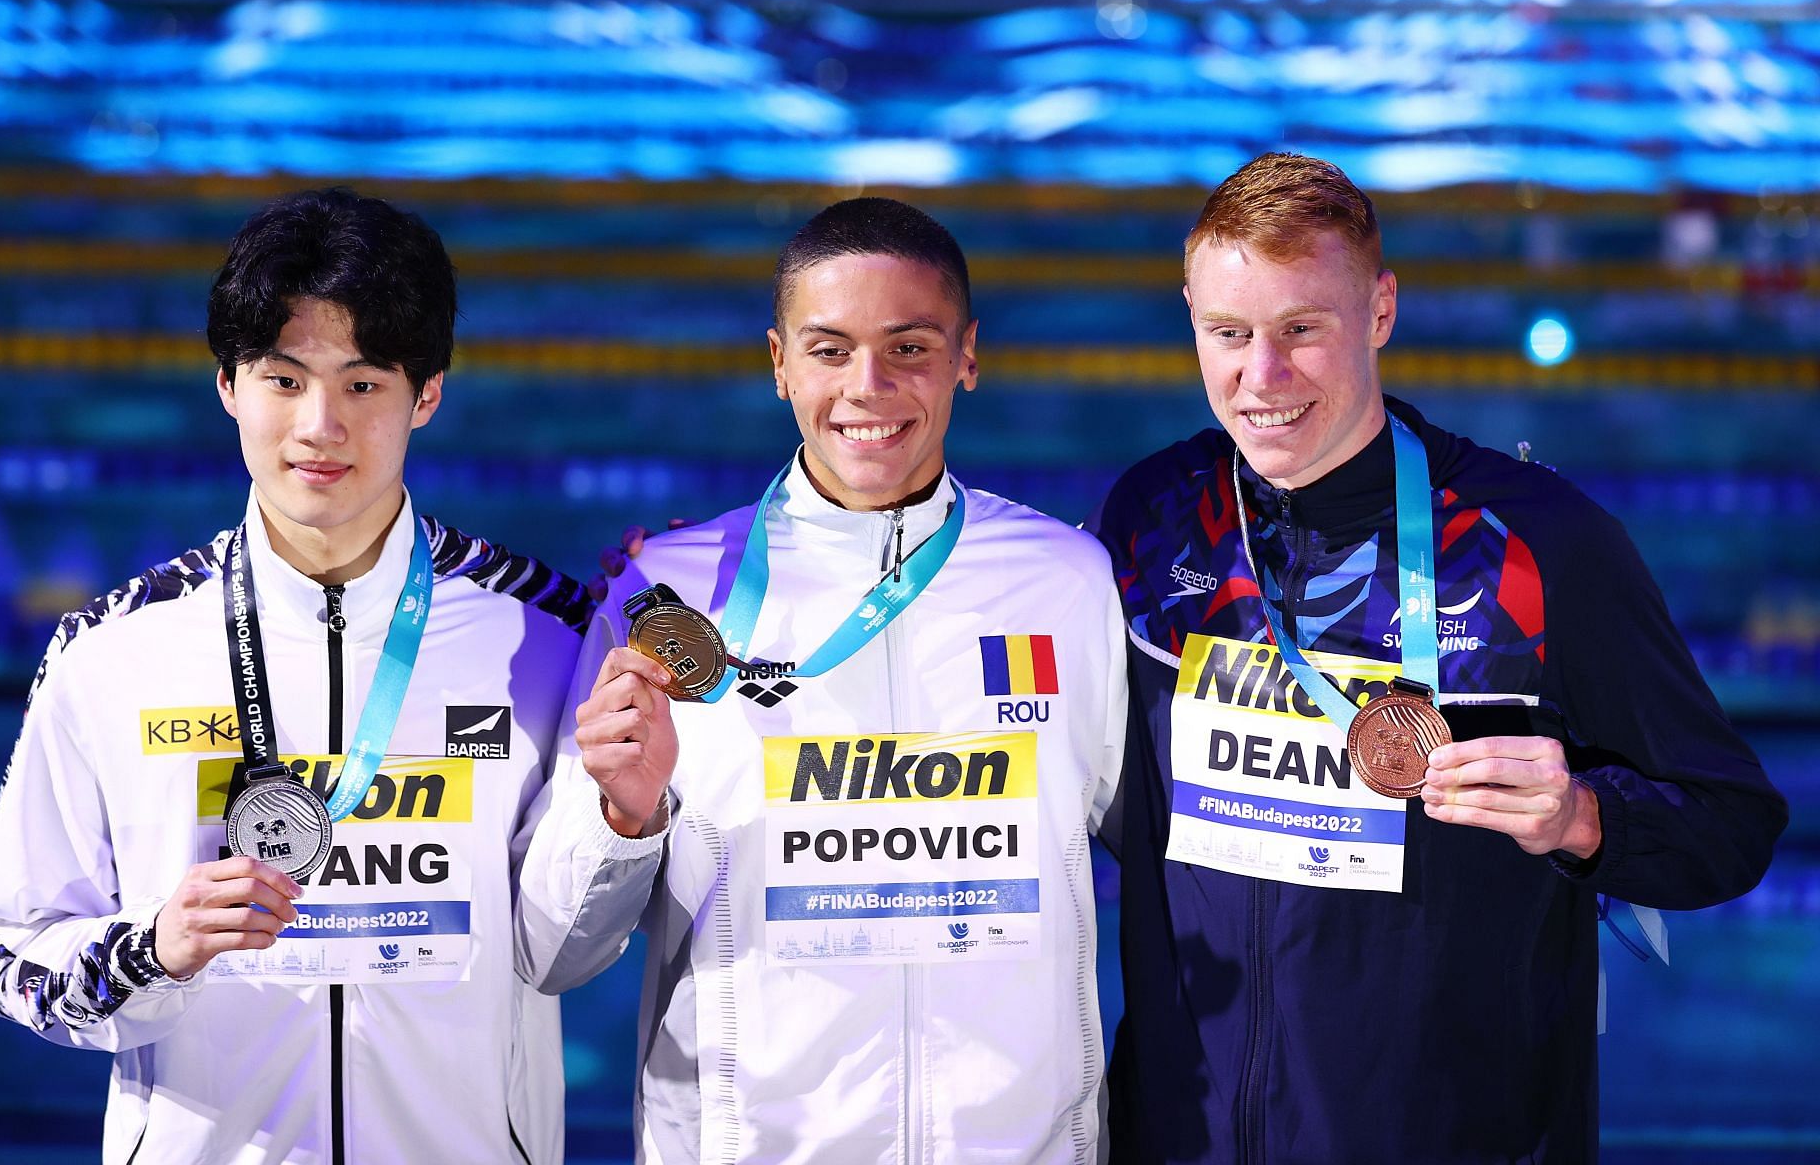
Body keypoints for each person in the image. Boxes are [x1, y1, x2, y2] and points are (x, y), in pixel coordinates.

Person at [0, 187, 673, 1165]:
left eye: (364, 384)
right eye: (284, 380)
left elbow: (558, 954)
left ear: (427, 393)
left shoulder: (545, 634)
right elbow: (3, 944)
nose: (319, 424)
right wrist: (149, 948)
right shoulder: (114, 649)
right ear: (228, 386)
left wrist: (625, 823)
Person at [1092, 152, 1787, 1164]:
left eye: (1302, 329)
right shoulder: (1154, 520)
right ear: (1191, 316)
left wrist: (1584, 816)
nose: (1262, 376)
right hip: (1183, 1134)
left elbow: (1733, 820)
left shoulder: (1537, 541)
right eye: (1229, 333)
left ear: (1380, 311)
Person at [558, 197, 1127, 1161]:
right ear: (779, 363)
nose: (869, 387)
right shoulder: (666, 596)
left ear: (967, 357)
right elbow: (559, 951)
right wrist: (620, 818)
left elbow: (1153, 862)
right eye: (830, 351)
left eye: (909, 347)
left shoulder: (1067, 583)